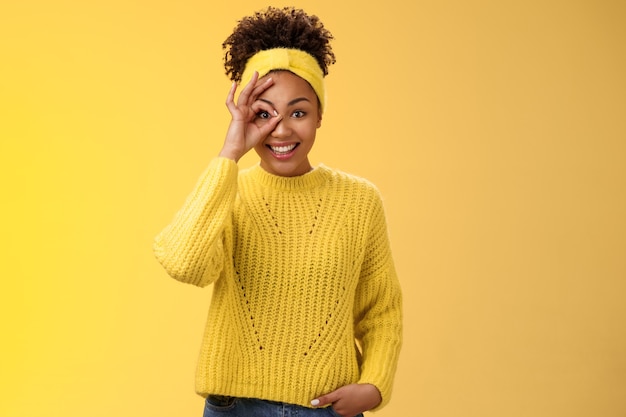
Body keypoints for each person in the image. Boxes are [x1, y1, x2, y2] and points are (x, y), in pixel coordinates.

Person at [153, 6, 402, 417]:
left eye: (298, 112)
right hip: (234, 408)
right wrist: (230, 152)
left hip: (324, 408)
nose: (281, 130)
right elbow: (184, 264)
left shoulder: (360, 201)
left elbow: (381, 309)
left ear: (320, 115)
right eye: (263, 114)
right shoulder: (226, 190)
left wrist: (374, 386)